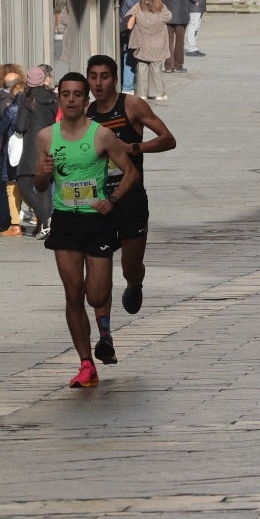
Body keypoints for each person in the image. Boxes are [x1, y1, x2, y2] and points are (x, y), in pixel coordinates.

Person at [34, 72, 139, 387]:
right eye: (65, 94)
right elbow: (40, 185)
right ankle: (85, 363)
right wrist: (41, 172)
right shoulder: (45, 137)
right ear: (59, 98)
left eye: (77, 94)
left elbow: (131, 172)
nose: (70, 99)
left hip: (97, 221)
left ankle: (104, 330)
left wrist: (113, 200)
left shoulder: (102, 135)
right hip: (65, 220)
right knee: (73, 293)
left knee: (96, 294)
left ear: (86, 99)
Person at [87, 55, 176, 324]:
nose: (98, 83)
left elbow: (168, 139)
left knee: (130, 266)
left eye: (104, 76)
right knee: (99, 272)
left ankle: (134, 283)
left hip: (131, 200)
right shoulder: (86, 114)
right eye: (93, 76)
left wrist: (134, 148)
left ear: (115, 79)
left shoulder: (132, 105)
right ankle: (105, 329)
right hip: (99, 202)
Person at [15, 66, 59, 239]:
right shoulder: (53, 98)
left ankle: (48, 220)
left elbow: (20, 125)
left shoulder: (27, 98)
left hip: (32, 145)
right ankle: (48, 223)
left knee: (24, 182)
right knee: (45, 187)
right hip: (50, 143)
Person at [0, 65, 27, 236]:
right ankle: (41, 220)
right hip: (27, 152)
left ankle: (13, 224)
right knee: (26, 188)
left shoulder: (10, 107)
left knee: (11, 188)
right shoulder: (33, 106)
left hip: (11, 152)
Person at [125, 0, 172, 101]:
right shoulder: (162, 8)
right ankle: (158, 94)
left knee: (141, 68)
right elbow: (169, 17)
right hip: (158, 44)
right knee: (156, 68)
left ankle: (142, 94)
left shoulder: (139, 7)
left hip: (143, 43)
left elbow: (129, 24)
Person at [159, 0, 197, 72]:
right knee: (180, 41)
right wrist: (193, 0)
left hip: (167, 13)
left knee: (168, 41)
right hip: (181, 14)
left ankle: (168, 66)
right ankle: (178, 65)